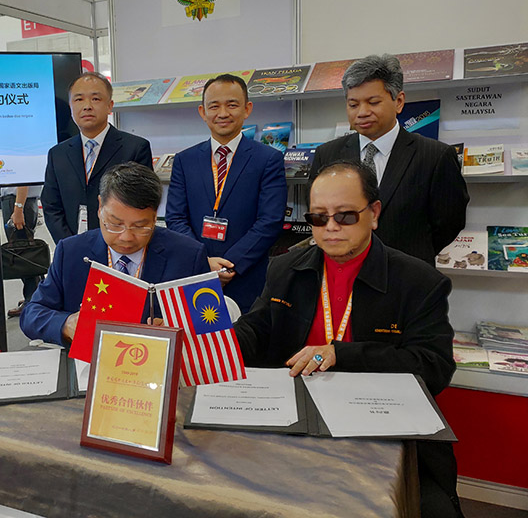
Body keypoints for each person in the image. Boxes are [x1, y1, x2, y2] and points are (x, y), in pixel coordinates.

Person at [234, 160, 462, 518]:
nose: (331, 227)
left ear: (374, 213)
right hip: (295, 423)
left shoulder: (419, 282)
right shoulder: (285, 268)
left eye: (345, 216)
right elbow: (257, 329)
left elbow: (433, 367)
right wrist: (214, 342)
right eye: (318, 217)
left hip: (380, 428)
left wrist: (342, 354)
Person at [22, 162, 210, 347]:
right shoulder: (71, 252)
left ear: (155, 217)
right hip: (89, 363)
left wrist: (178, 328)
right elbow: (32, 313)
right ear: (100, 207)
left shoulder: (188, 256)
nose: (126, 237)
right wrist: (66, 324)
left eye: (140, 226)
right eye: (115, 224)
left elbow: (210, 326)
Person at [310, 54, 469, 264]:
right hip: (344, 269)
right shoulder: (327, 154)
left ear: (399, 102)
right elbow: (319, 212)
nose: (362, 112)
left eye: (373, 102)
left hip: (409, 273)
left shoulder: (435, 156)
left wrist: (412, 256)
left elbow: (450, 223)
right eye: (353, 104)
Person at [165, 73, 287, 313]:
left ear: (247, 109)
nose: (223, 113)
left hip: (247, 277)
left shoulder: (268, 159)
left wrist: (230, 265)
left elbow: (270, 221)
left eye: (232, 105)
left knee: (247, 336)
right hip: (195, 276)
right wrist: (202, 262)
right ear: (202, 112)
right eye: (214, 106)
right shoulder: (184, 160)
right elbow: (175, 218)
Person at [41, 71, 153, 244]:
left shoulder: (135, 148)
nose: (87, 106)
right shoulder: (58, 154)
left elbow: (141, 204)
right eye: (79, 99)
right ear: (71, 106)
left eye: (95, 99)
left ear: (109, 105)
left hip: (119, 245)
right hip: (72, 247)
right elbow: (51, 206)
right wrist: (70, 245)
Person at [0, 185, 43, 317]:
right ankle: (36, 296)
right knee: (25, 251)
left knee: (22, 254)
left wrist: (18, 208)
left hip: (18, 200)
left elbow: (23, 182)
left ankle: (33, 301)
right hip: (22, 200)